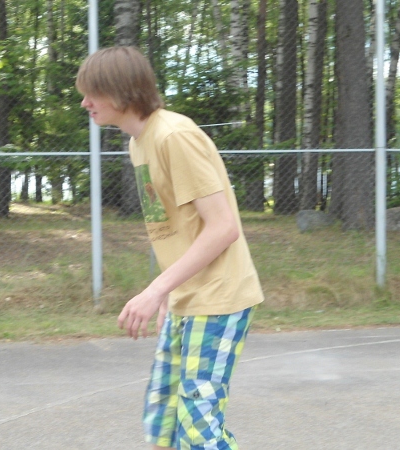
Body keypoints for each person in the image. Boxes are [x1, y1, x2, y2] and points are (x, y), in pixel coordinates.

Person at [76, 46, 264, 450]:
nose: (84, 102)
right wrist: (169, 291)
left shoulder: (174, 136)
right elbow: (174, 228)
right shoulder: (139, 142)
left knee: (199, 427)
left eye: (93, 93)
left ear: (122, 92)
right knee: (163, 418)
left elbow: (223, 228)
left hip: (218, 297)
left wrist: (155, 290)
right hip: (186, 297)